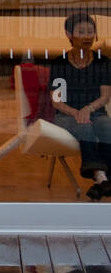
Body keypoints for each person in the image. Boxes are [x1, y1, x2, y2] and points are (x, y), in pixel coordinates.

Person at [47, 12, 111, 200]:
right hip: (66, 116)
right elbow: (57, 101)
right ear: (69, 34)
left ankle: (101, 183)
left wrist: (88, 109)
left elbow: (106, 96)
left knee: (108, 126)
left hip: (95, 112)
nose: (87, 36)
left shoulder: (103, 62)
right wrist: (76, 112)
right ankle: (100, 176)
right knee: (85, 127)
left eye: (90, 32)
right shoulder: (60, 64)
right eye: (81, 31)